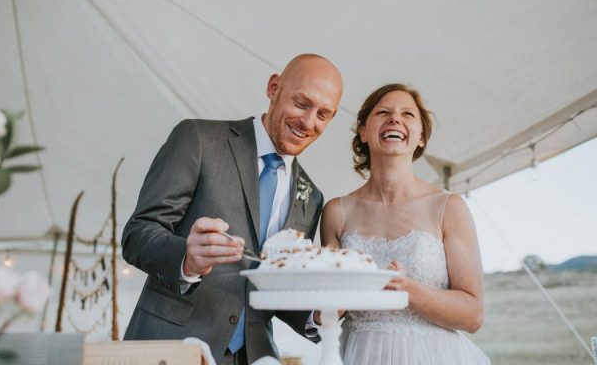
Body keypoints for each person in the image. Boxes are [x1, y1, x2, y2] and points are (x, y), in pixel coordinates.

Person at [122, 54, 343, 365]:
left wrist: (318, 312)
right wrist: (186, 258)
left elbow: (274, 288)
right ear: (273, 87)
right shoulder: (199, 139)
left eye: (323, 114)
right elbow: (138, 234)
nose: (308, 122)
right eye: (302, 103)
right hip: (171, 348)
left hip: (253, 357)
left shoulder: (312, 197)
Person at [320, 83, 490, 364]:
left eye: (408, 114)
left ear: (421, 136)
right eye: (383, 111)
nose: (395, 119)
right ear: (363, 131)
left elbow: (473, 316)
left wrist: (405, 288)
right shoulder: (336, 212)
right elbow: (327, 305)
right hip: (359, 355)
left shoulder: (449, 207)